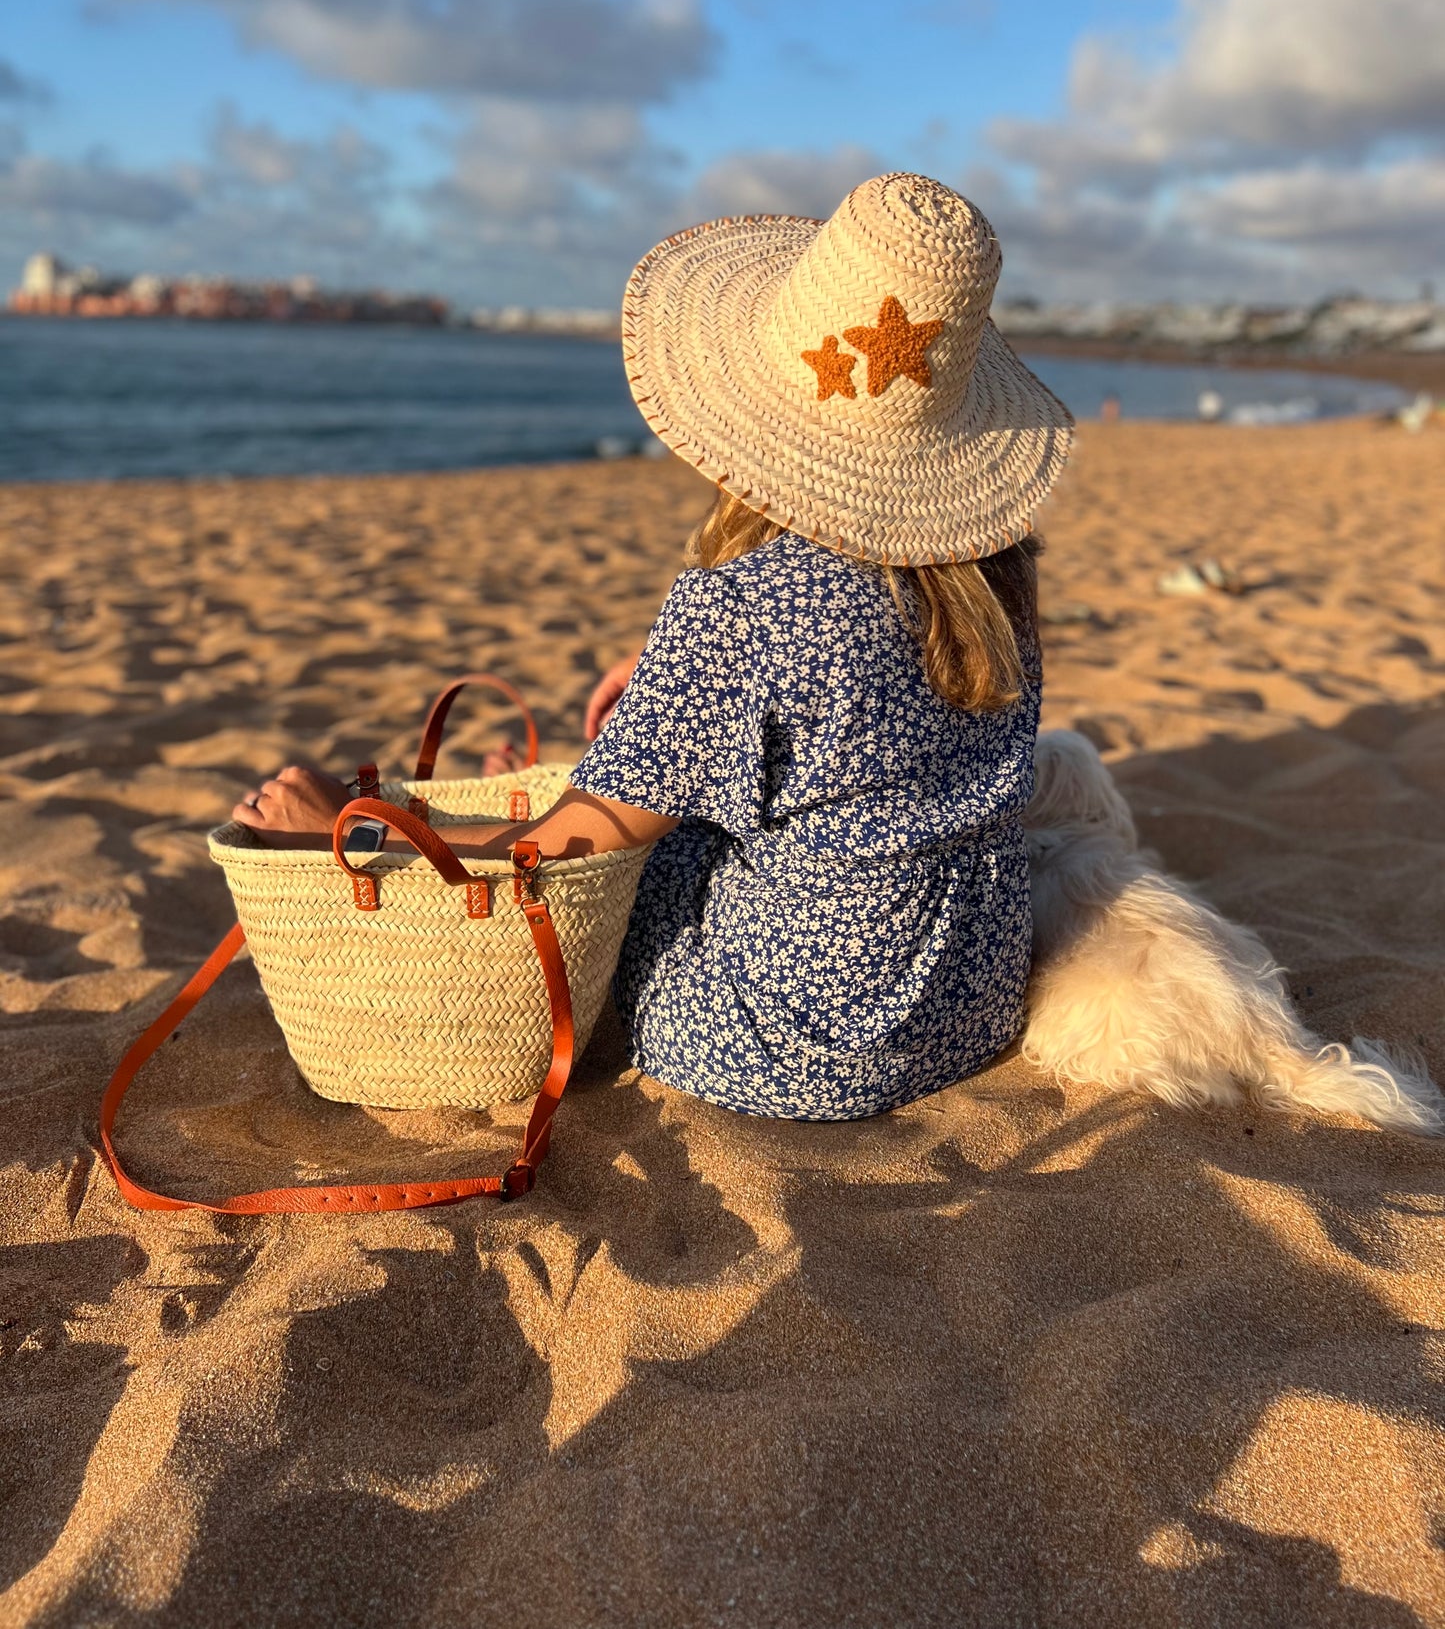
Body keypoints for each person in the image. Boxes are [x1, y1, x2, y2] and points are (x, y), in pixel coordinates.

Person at [234, 173, 1075, 1121]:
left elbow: (561, 856)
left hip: (803, 1040)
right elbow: (857, 741)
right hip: (970, 993)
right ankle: (628, 765)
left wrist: (351, 823)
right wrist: (667, 715)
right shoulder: (996, 575)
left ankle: (578, 778)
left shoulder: (746, 603)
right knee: (680, 816)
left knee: (618, 876)